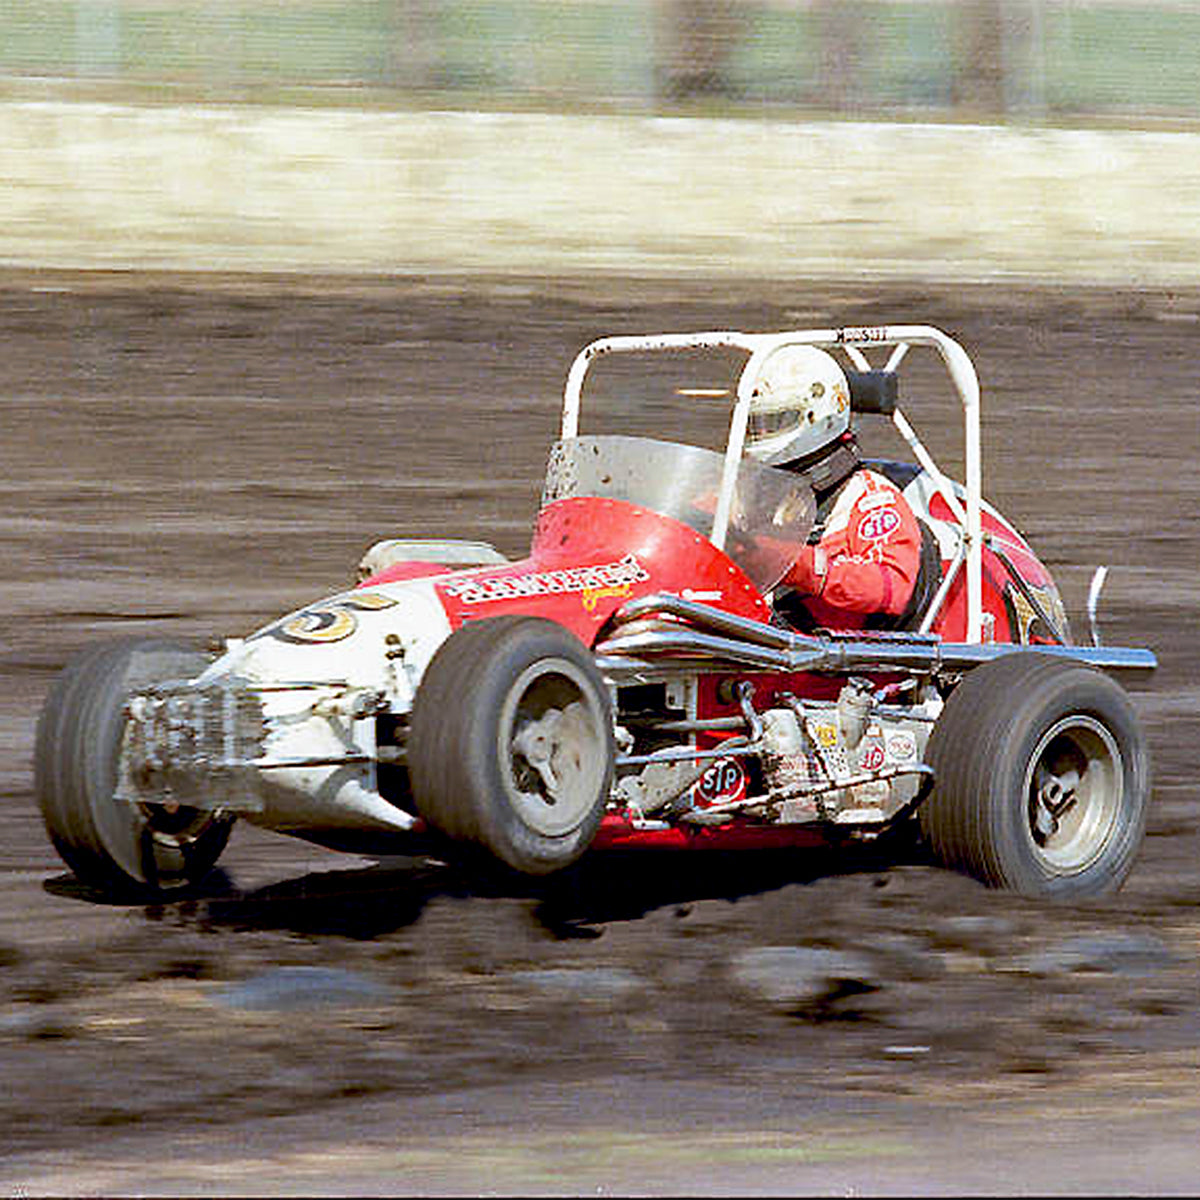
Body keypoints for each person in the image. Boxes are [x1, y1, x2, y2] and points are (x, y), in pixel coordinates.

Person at [743, 345, 925, 632]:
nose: (763, 434)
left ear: (819, 416)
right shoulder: (752, 492)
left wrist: (794, 563)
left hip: (831, 659)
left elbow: (891, 586)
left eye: (775, 422)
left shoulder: (870, 498)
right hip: (750, 637)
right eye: (757, 424)